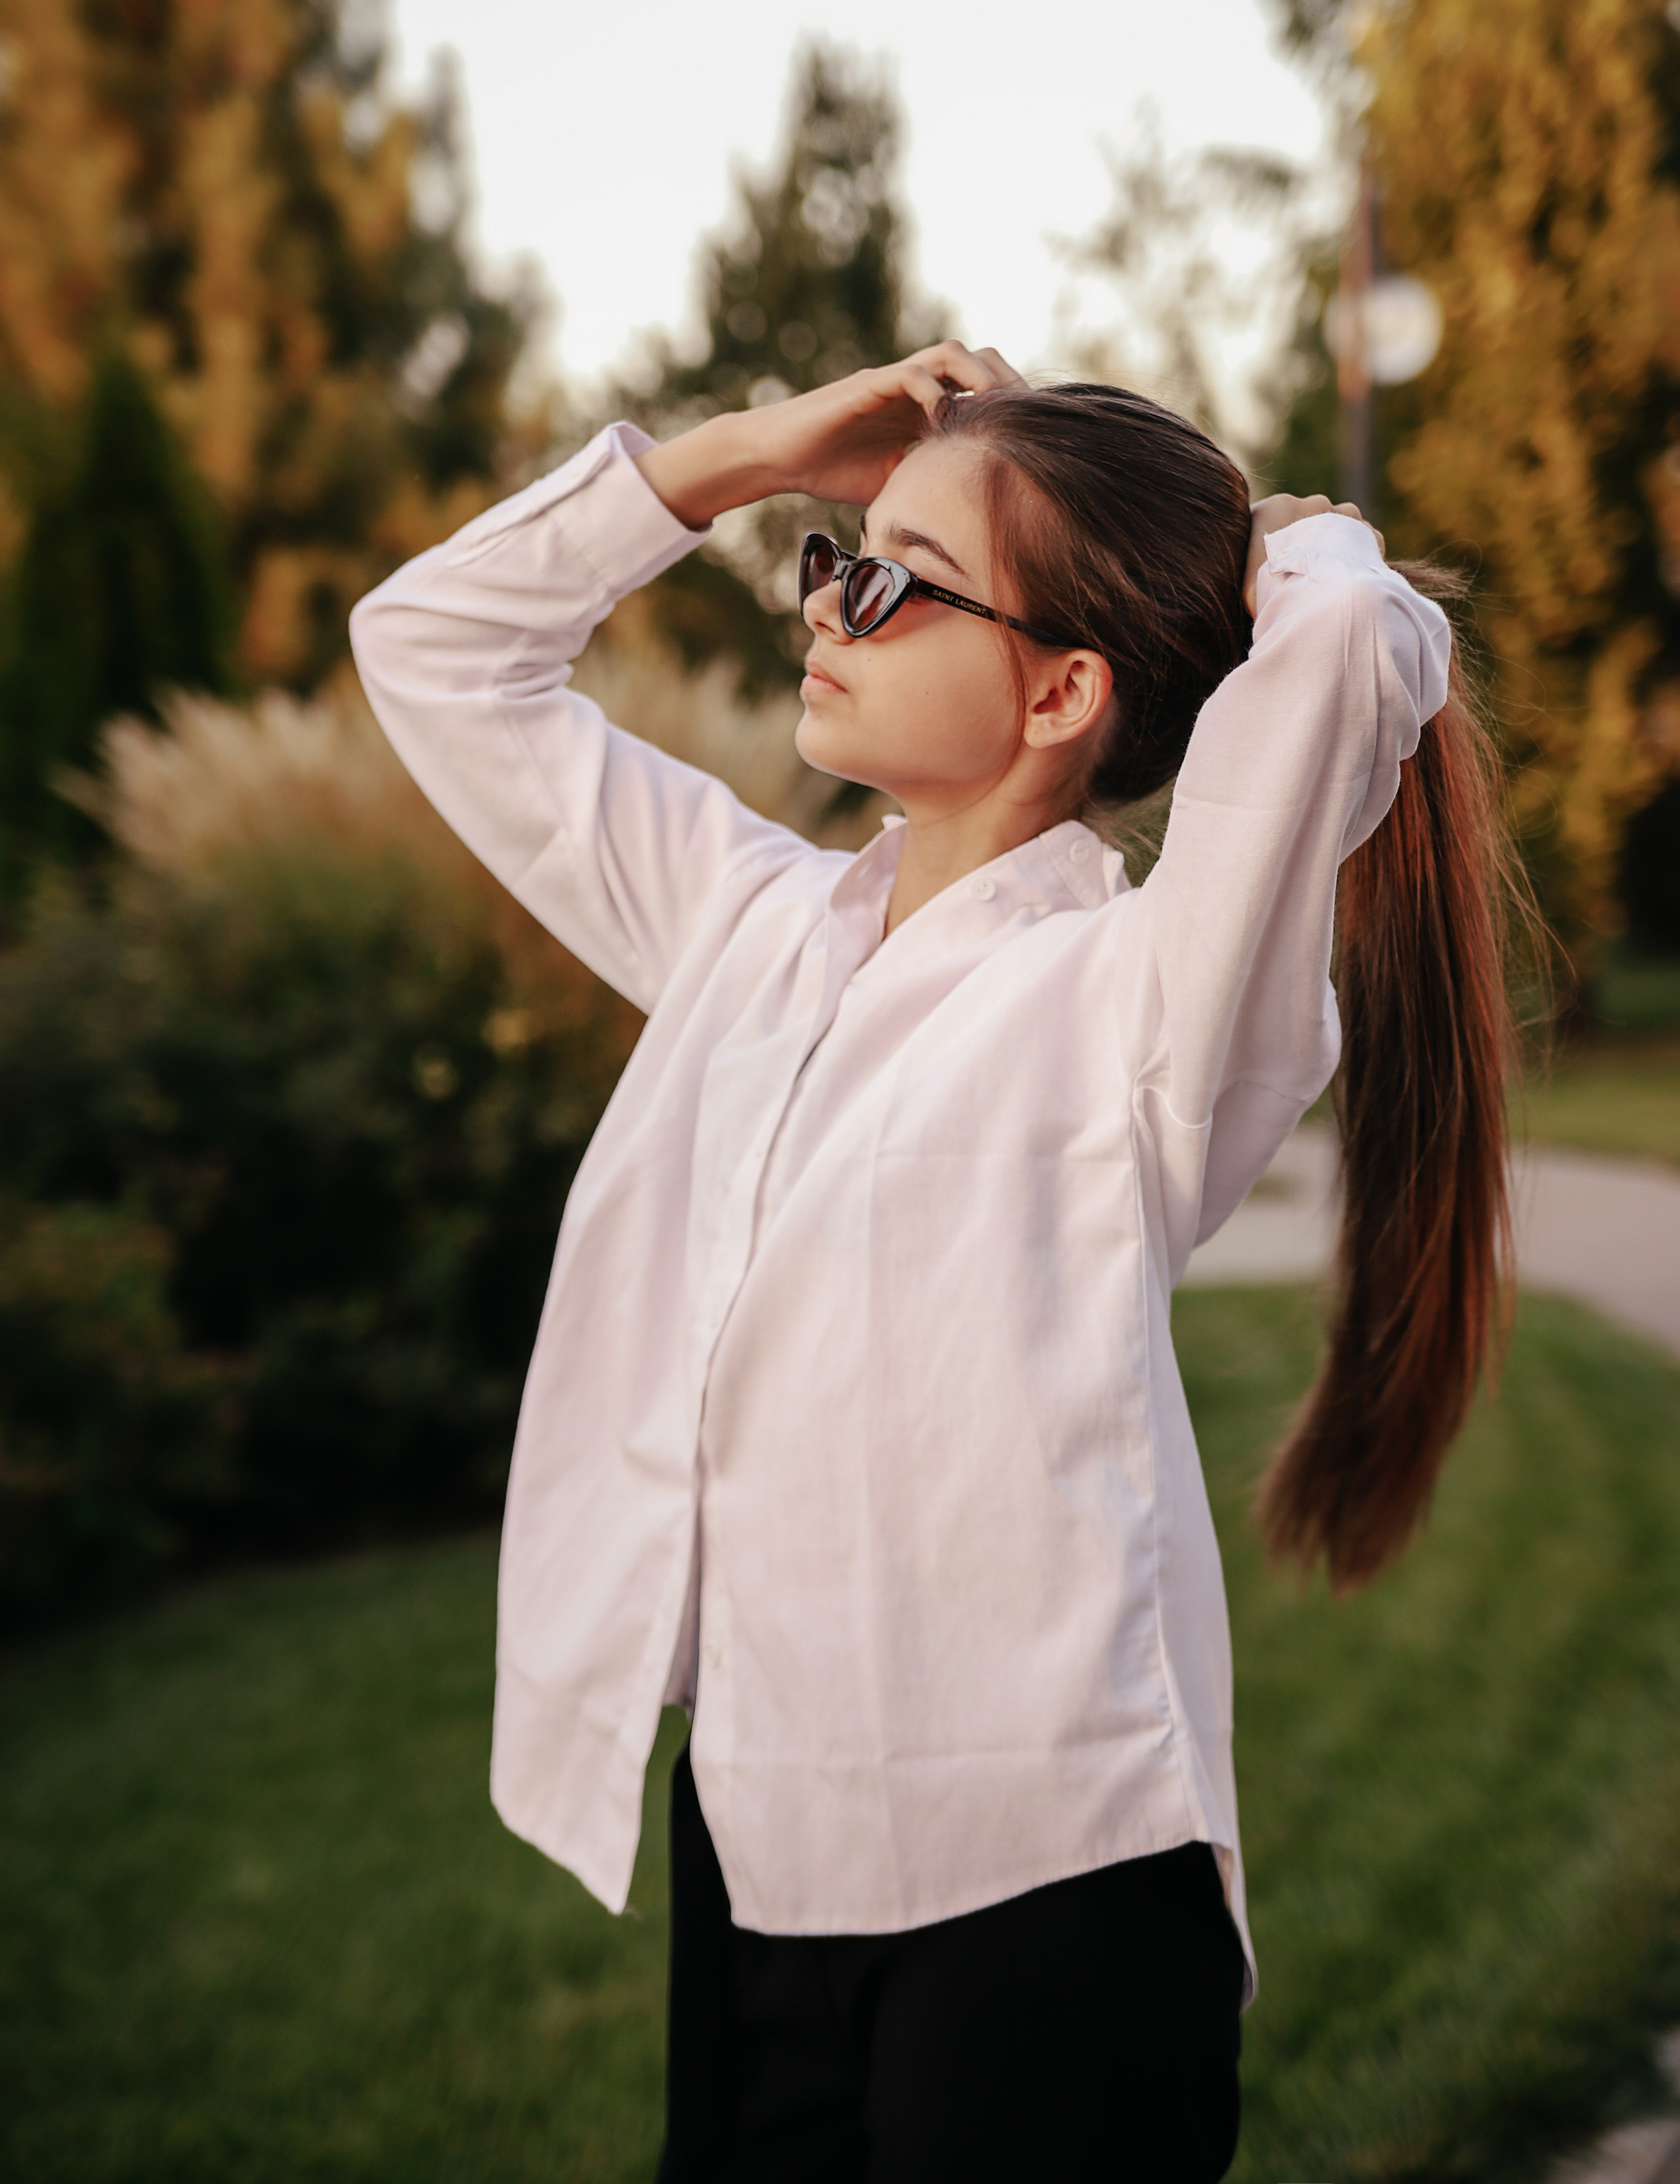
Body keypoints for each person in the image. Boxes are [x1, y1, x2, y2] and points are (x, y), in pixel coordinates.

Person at [350, 343, 1515, 2181]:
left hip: (1045, 1904)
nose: (832, 601)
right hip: (759, 1854)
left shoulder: (1143, 1007)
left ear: (1060, 690)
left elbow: (1352, 662)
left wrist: (1295, 541)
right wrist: (757, 453)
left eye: (894, 580)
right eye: (837, 554)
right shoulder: (746, 927)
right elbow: (432, 649)